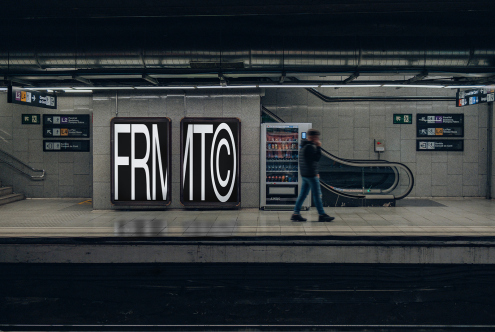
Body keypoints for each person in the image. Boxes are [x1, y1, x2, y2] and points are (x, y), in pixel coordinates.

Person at [291, 129, 335, 222]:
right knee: (317, 195)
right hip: (311, 175)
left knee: (303, 195)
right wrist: (319, 147)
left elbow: (308, 161)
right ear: (311, 137)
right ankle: (321, 214)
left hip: (305, 174)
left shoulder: (303, 146)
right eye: (316, 137)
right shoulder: (310, 146)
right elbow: (316, 159)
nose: (317, 139)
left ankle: (296, 213)